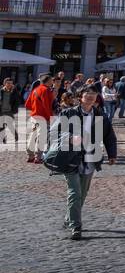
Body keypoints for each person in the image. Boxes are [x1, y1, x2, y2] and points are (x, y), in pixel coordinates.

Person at [51, 86, 117, 239]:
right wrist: (68, 138)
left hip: (91, 158)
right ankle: (76, 226)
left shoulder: (100, 115)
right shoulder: (69, 113)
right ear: (80, 96)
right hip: (70, 158)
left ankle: (69, 219)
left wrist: (112, 154)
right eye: (88, 94)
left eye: (94, 94)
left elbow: (109, 136)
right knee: (74, 192)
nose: (91, 97)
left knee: (83, 193)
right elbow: (54, 132)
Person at [24, 73, 55, 163]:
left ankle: (30, 155)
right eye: (51, 80)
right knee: (41, 137)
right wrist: (50, 117)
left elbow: (27, 104)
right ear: (48, 81)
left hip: (34, 116)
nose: (52, 82)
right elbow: (46, 105)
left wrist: (35, 109)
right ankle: (38, 157)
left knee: (32, 136)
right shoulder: (46, 90)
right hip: (43, 117)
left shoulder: (35, 89)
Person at [0, 77, 21, 145]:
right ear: (4, 83)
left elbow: (17, 101)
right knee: (1, 126)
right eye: (8, 83)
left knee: (8, 124)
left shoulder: (14, 92)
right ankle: (4, 138)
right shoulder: (1, 91)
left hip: (10, 111)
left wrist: (14, 110)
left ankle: (15, 135)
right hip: (1, 111)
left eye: (11, 83)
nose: (10, 85)